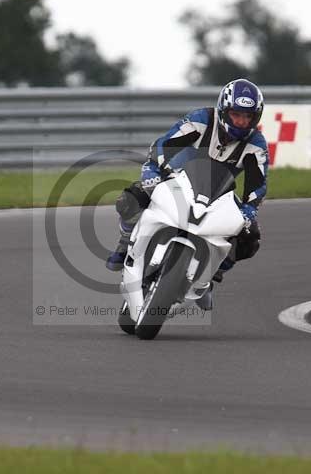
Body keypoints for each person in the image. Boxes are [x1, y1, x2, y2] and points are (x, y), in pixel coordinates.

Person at [106, 78, 268, 310]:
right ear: (224, 110)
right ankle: (125, 242)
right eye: (236, 114)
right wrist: (154, 170)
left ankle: (211, 277)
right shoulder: (201, 119)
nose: (241, 122)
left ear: (256, 118)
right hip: (178, 180)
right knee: (131, 198)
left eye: (247, 117)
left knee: (250, 238)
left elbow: (257, 184)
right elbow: (165, 145)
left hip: (220, 195)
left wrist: (249, 210)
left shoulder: (257, 145)